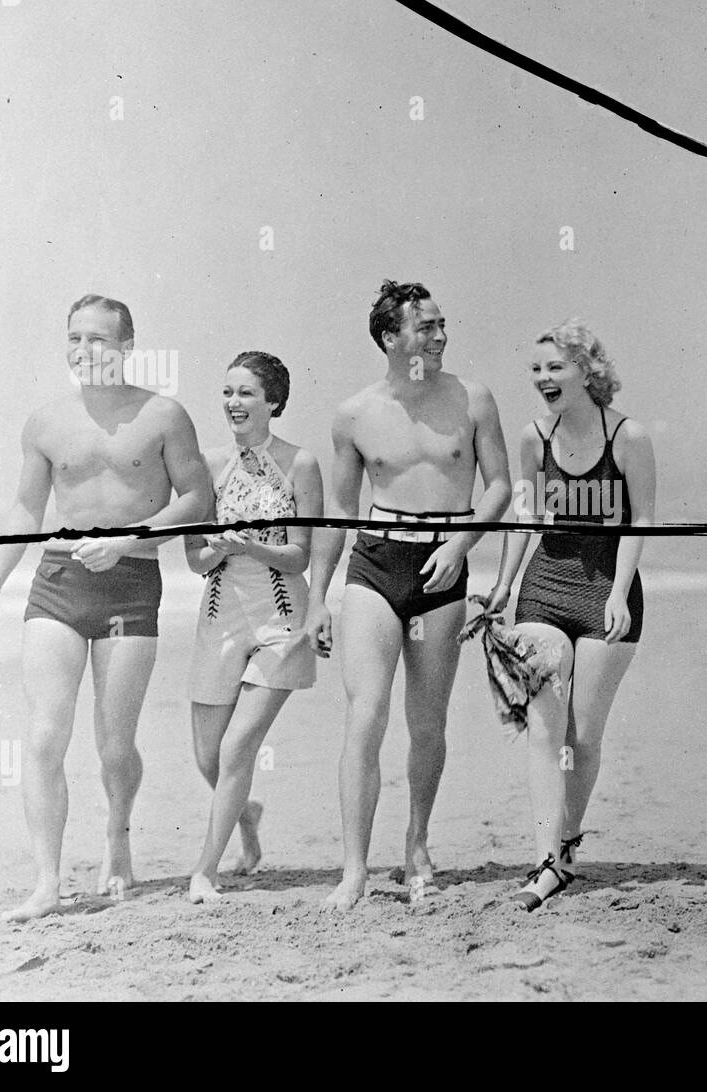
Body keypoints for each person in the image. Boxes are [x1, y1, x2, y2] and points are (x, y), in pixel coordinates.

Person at [0, 294, 212, 922]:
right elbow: (26, 509)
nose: (85, 351)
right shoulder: (46, 422)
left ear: (127, 346)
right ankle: (46, 883)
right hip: (58, 583)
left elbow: (198, 495)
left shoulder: (162, 415)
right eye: (74, 338)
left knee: (114, 742)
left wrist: (132, 536)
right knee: (45, 735)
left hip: (131, 582)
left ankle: (117, 835)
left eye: (99, 340)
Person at [305, 281, 512, 911]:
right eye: (426, 328)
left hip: (443, 570)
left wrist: (461, 546)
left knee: (428, 723)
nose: (441, 336)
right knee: (365, 714)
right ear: (391, 338)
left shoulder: (472, 398)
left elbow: (501, 486)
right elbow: (340, 512)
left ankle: (417, 845)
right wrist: (317, 598)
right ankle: (353, 868)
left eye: (443, 324)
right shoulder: (354, 414)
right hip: (376, 564)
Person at [487, 320, 655, 911]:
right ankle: (548, 862)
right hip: (545, 587)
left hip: (610, 587)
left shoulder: (628, 437)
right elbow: (526, 518)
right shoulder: (534, 436)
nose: (543, 378)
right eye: (536, 369)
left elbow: (639, 521)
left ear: (588, 370)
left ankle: (565, 844)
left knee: (583, 738)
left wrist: (618, 591)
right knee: (544, 726)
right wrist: (503, 586)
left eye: (555, 367)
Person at [182, 352, 323, 903]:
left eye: (245, 393)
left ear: (273, 401)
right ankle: (245, 813)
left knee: (239, 747)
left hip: (280, 617)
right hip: (219, 614)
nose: (233, 403)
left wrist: (252, 546)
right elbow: (194, 560)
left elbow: (301, 556)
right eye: (227, 393)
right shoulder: (209, 463)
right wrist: (216, 551)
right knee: (206, 755)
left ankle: (204, 872)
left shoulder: (300, 463)